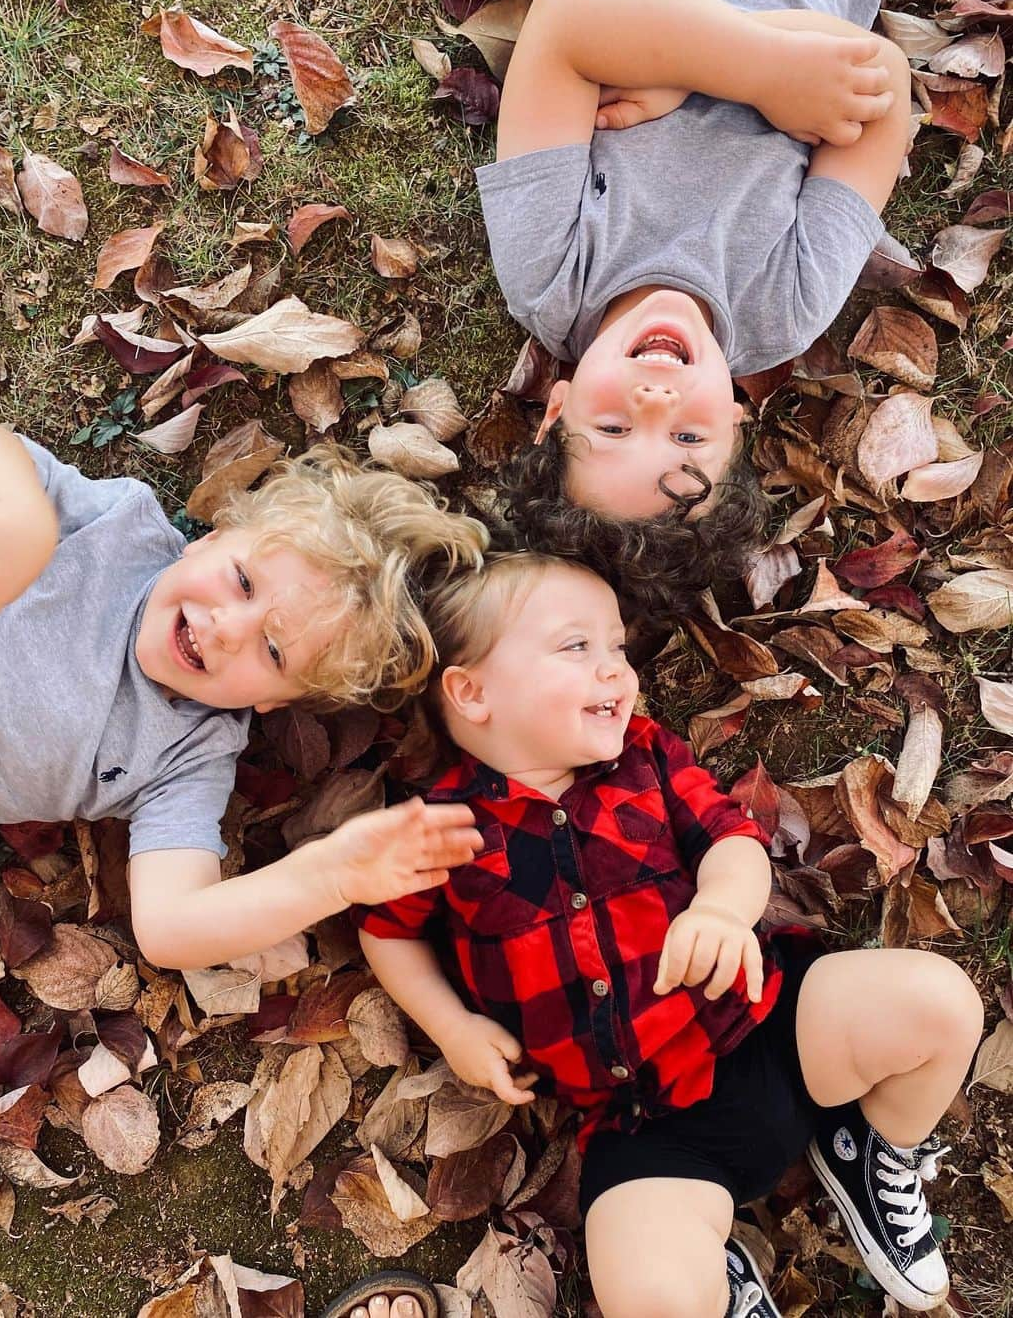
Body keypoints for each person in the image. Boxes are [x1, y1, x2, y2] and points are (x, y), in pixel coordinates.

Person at [355, 553, 984, 1317]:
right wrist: (450, 1026)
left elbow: (733, 840)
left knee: (940, 1003)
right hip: (643, 1127)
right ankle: (711, 1286)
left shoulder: (646, 757)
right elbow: (389, 934)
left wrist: (721, 910)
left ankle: (866, 1146)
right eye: (577, 647)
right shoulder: (442, 831)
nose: (616, 670)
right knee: (647, 1295)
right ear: (472, 692)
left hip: (773, 1028)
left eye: (618, 648)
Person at [0, 415, 489, 969]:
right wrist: (18, 513)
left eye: (273, 653)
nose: (229, 628)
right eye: (244, 582)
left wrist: (328, 877)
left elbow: (170, 930)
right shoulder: (118, 531)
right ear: (211, 541)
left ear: (277, 701)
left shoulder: (190, 757)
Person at [480, 0, 913, 620]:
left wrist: (759, 74)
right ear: (736, 430)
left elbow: (568, 18)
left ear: (556, 412)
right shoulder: (784, 305)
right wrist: (685, 62)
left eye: (613, 427)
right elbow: (880, 78)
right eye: (687, 439)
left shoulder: (550, 273)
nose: (655, 401)